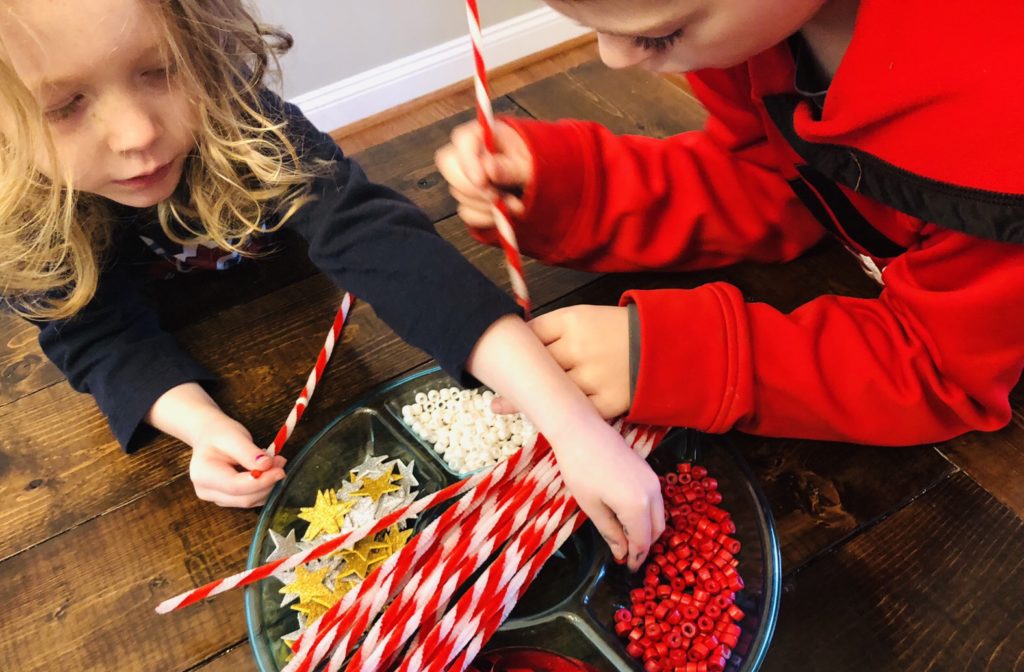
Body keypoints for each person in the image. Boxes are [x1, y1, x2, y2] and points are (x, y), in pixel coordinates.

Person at [0, 0, 664, 569]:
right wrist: (198, 424)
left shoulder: (249, 125)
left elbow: (381, 244)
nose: (138, 133)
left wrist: (571, 424)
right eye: (62, 107)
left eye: (162, 69)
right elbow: (92, 332)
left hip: (300, 301)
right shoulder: (21, 220)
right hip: (193, 353)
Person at [437, 0, 1024, 445]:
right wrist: (573, 190)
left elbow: (942, 374)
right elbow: (777, 185)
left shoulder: (1002, 138)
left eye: (660, 30)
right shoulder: (762, 35)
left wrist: (674, 358)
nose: (611, 57)